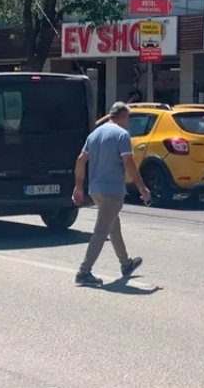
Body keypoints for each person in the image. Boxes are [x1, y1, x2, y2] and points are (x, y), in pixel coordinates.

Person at [71, 102, 151, 287]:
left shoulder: (95, 134)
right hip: (112, 191)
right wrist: (142, 188)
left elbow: (81, 160)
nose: (128, 123)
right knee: (101, 231)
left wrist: (78, 186)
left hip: (96, 189)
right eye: (128, 119)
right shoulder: (122, 135)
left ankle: (126, 264)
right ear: (122, 116)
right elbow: (129, 164)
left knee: (113, 226)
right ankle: (84, 272)